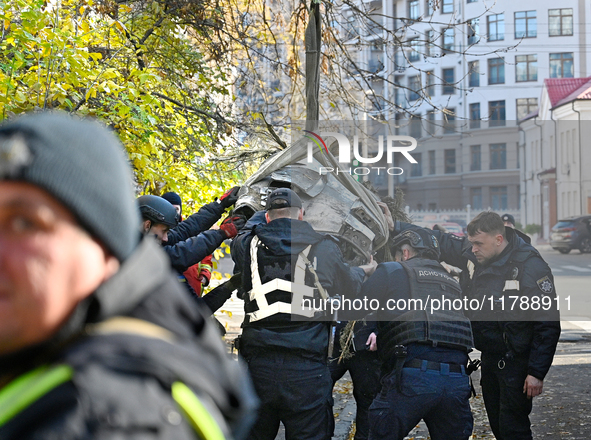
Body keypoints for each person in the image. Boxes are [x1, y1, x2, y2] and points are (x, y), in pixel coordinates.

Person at [0, 111, 257, 439]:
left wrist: (219, 213)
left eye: (25, 224)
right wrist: (221, 225)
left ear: (98, 240)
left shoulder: (112, 415)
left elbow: (182, 241)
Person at [397, 211, 560, 440]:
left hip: (516, 362)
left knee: (513, 428)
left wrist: (536, 372)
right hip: (491, 358)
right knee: (498, 425)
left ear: (498, 239)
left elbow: (547, 323)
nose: (473, 249)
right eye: (471, 243)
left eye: (478, 244)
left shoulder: (530, 267)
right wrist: (394, 225)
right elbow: (442, 242)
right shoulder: (478, 254)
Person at [231, 187, 376, 440]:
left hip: (257, 370)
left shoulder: (247, 246)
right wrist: (366, 270)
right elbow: (349, 285)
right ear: (302, 215)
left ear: (267, 217)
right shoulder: (325, 247)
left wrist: (259, 212)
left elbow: (245, 230)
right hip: (307, 370)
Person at [363, 229, 474, 440]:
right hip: (457, 379)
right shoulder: (452, 283)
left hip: (412, 377)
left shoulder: (391, 270)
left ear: (404, 253)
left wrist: (365, 274)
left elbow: (355, 309)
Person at [329, 321, 381, 440]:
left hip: (367, 344)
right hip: (331, 342)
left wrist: (380, 332)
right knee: (318, 393)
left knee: (368, 398)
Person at [161, 191, 214, 296]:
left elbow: (205, 253)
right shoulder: (157, 231)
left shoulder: (191, 228)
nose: (174, 212)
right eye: (170, 208)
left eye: (176, 209)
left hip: (193, 284)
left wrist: (205, 274)